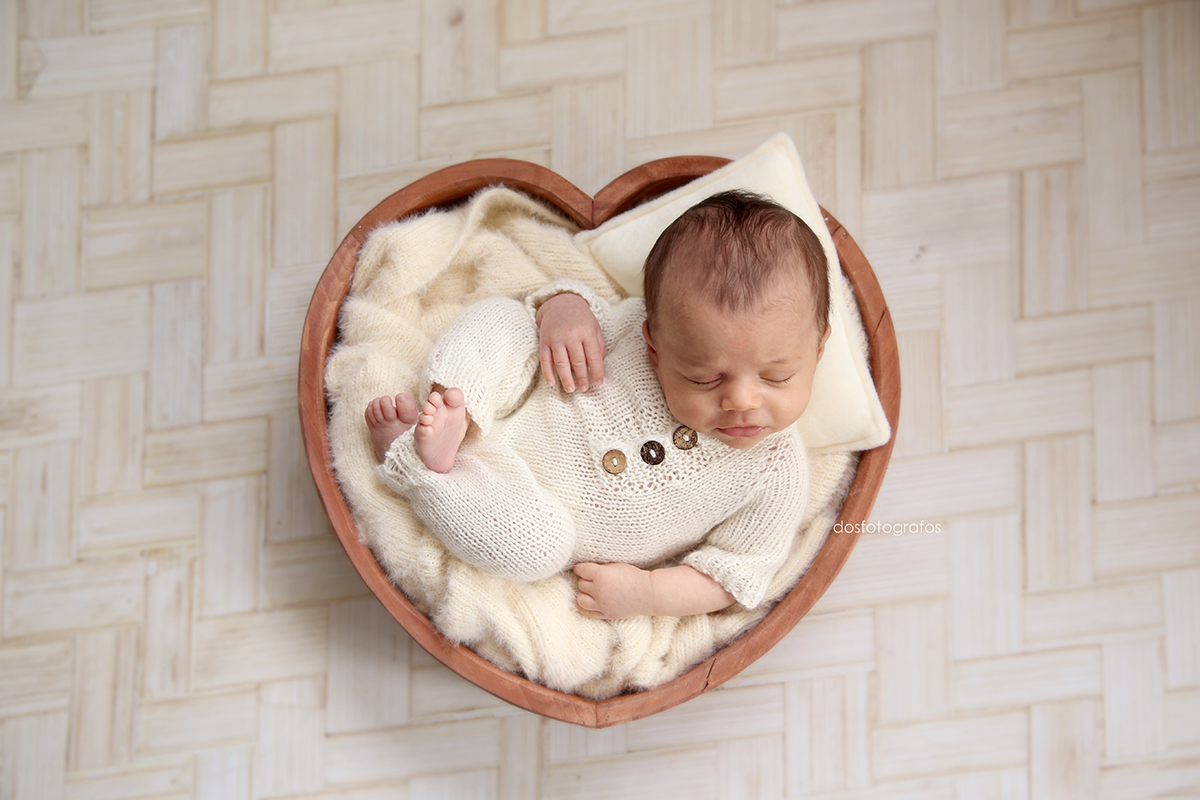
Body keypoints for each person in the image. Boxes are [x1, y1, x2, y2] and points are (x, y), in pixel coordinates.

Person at [364, 190, 831, 620]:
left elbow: (733, 573)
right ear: (655, 344)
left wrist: (648, 593)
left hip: (529, 510)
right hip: (505, 412)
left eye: (777, 377)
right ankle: (457, 410)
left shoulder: (776, 473)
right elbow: (578, 313)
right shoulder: (629, 331)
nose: (742, 401)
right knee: (505, 323)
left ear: (819, 350)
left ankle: (419, 468)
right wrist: (563, 311)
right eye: (703, 378)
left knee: (536, 550)